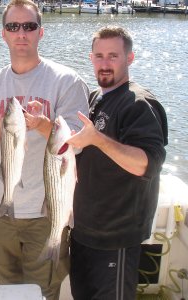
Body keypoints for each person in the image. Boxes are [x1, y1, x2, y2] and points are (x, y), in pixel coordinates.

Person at [0, 0, 89, 299]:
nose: (21, 33)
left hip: (47, 211)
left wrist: (43, 125)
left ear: (41, 32)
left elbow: (77, 143)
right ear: (3, 34)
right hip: (2, 208)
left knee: (44, 291)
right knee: (6, 287)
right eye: (13, 27)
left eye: (29, 26)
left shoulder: (67, 81)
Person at [67, 26, 168, 299]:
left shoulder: (138, 103)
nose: (105, 63)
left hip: (116, 239)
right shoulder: (94, 99)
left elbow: (145, 164)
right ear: (90, 59)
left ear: (130, 58)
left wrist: (97, 139)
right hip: (83, 234)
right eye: (99, 56)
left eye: (113, 56)